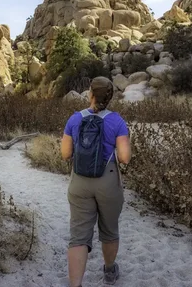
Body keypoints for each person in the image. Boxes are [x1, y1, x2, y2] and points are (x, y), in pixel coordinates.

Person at [61, 76, 131, 287]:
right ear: (110, 97)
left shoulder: (74, 119)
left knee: (79, 236)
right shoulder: (117, 121)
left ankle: (76, 284)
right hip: (107, 180)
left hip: (80, 180)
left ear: (90, 94)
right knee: (109, 230)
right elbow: (125, 158)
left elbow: (65, 154)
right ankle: (109, 272)